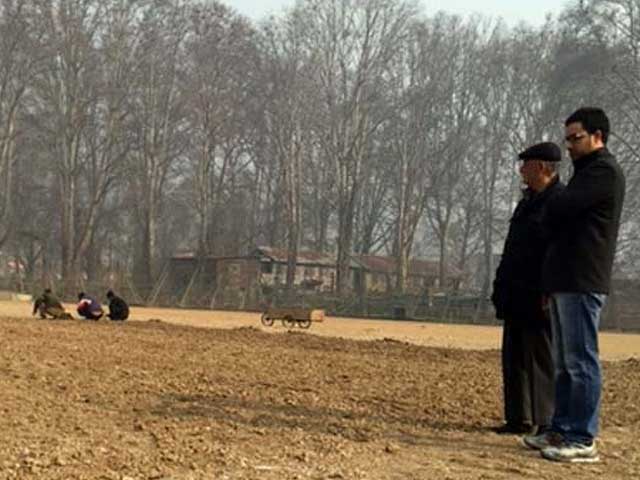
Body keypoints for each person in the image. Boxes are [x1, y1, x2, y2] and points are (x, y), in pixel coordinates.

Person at [523, 107, 626, 463]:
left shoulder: (603, 173)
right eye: (567, 138)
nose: (568, 146)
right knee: (565, 361)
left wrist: (554, 207)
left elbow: (558, 208)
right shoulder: (585, 174)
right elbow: (555, 213)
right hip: (565, 278)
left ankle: (582, 436)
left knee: (581, 360)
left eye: (575, 138)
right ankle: (561, 427)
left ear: (597, 136)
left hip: (583, 278)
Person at [491, 142, 564, 435]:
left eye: (526, 164)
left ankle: (544, 420)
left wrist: (550, 289)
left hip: (539, 294)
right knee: (514, 357)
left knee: (541, 360)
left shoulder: (559, 201)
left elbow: (558, 252)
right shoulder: (527, 201)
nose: (521, 169)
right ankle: (518, 417)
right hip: (516, 293)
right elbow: (513, 249)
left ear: (543, 167)